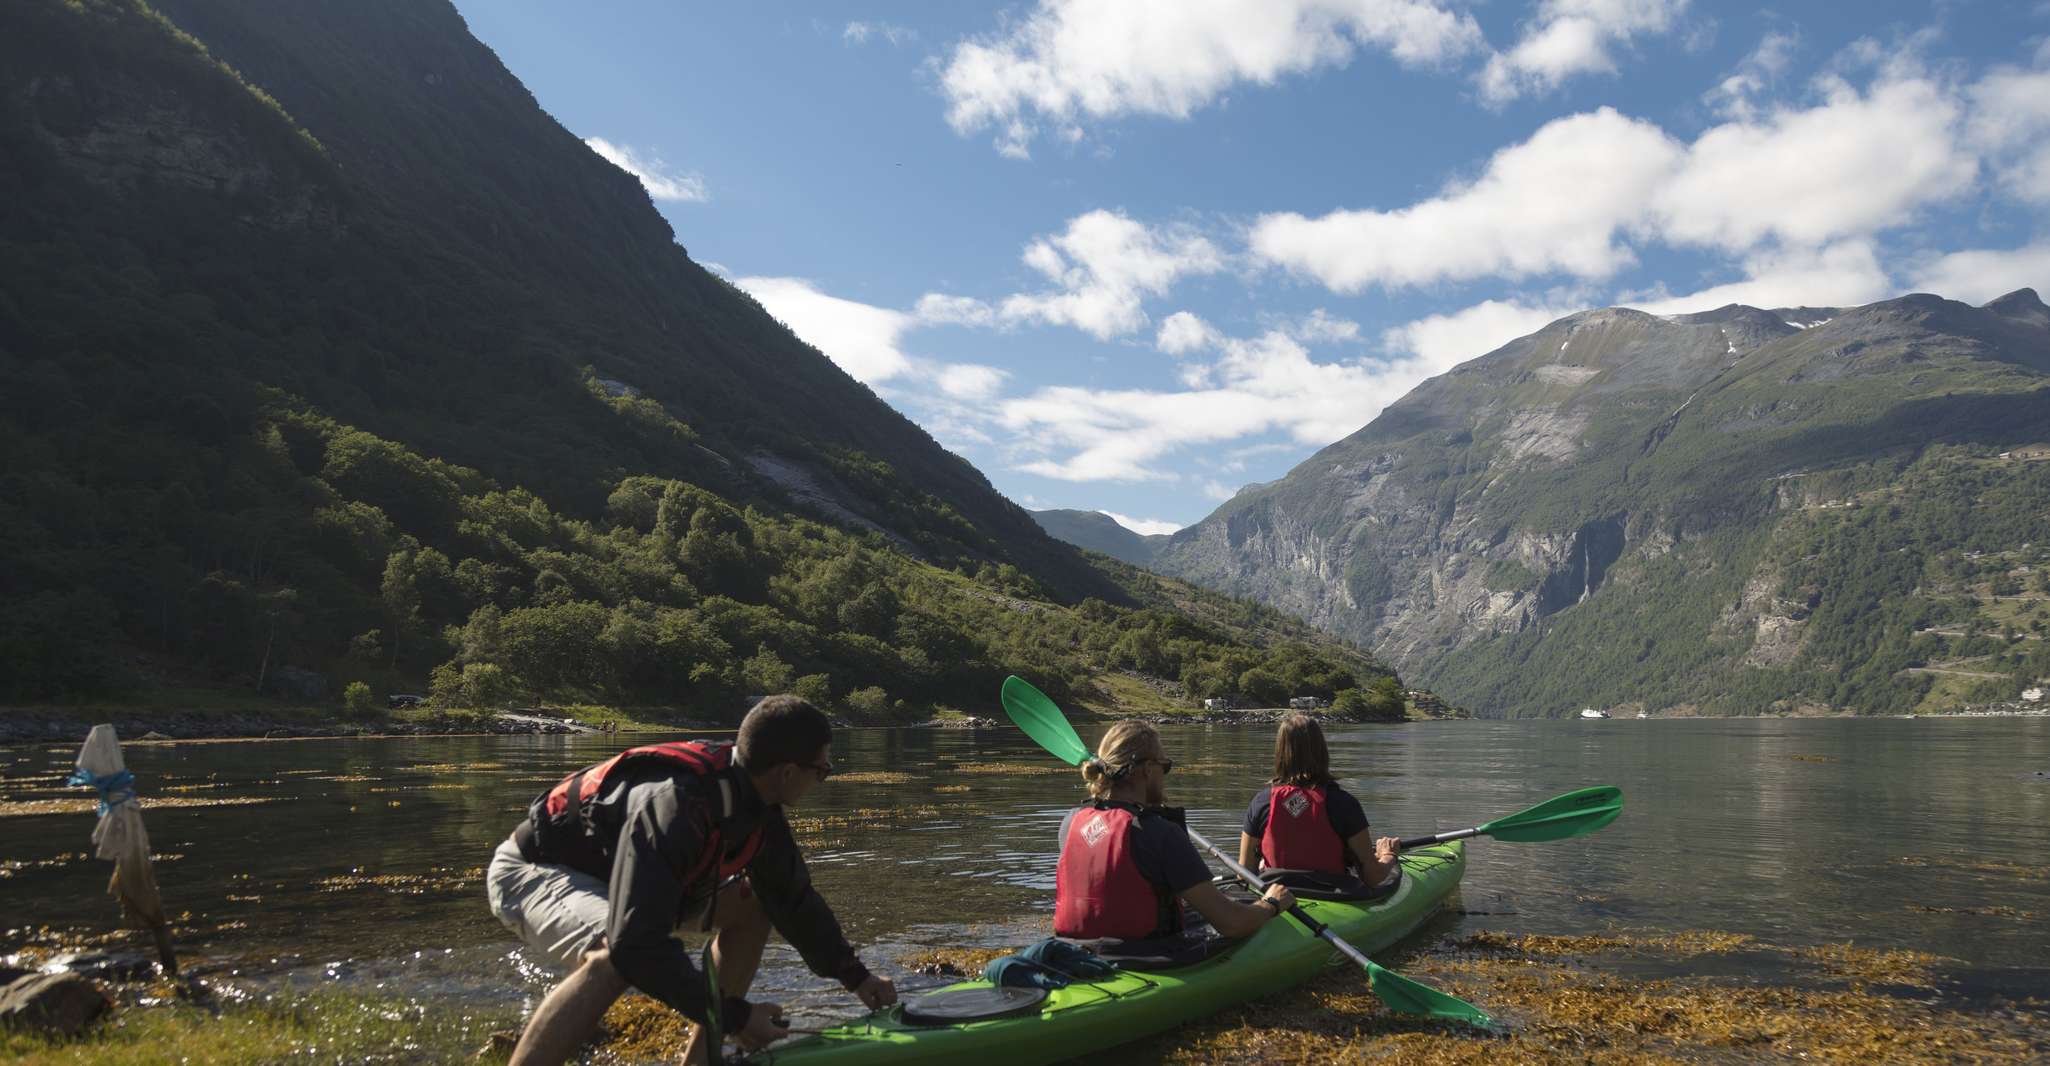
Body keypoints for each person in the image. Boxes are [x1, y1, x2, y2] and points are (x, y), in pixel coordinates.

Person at [485, 695, 896, 1066]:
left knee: (756, 908)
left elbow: (792, 901)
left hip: (627, 882)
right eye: (822, 771)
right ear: (788, 772)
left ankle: (702, 1062)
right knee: (616, 959)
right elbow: (638, 946)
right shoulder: (675, 806)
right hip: (535, 872)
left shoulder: (758, 810)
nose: (820, 780)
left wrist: (856, 976)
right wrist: (736, 1017)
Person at [1053, 721, 1295, 943]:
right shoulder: (1160, 833)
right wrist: (1271, 904)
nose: (1164, 776)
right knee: (1242, 906)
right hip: (1144, 956)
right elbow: (1231, 924)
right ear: (1148, 769)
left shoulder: (1071, 822)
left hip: (1075, 948)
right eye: (1165, 766)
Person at [1237, 713, 1400, 885]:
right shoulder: (1343, 803)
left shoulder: (1261, 802)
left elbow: (1244, 874)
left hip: (1277, 894)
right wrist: (1389, 855)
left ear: (1279, 752)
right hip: (1333, 895)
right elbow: (1372, 877)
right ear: (1322, 750)